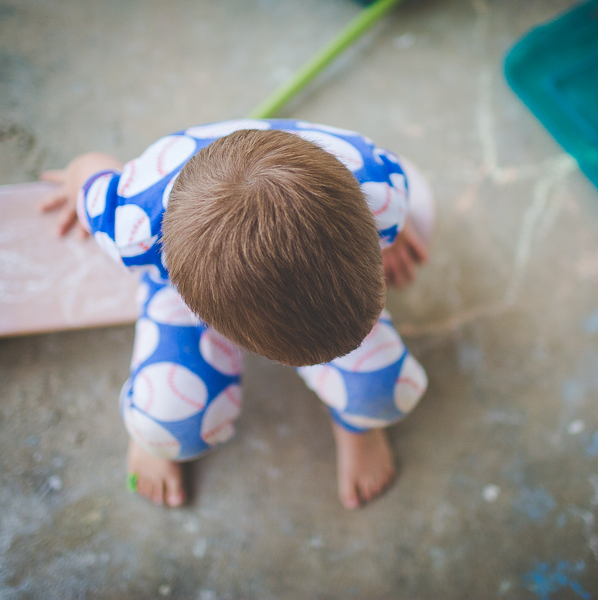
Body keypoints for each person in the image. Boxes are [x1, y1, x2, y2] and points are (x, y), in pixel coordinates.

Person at [40, 119, 433, 509]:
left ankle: (355, 425)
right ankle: (155, 441)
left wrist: (394, 233)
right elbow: (92, 172)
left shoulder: (377, 183)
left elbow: (398, 190)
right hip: (175, 277)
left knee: (383, 391)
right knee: (168, 425)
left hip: (303, 188)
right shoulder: (128, 222)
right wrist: (78, 172)